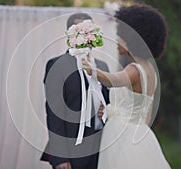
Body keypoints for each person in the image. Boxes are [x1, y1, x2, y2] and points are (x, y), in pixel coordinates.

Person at [82, 3, 171, 169]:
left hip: (123, 138)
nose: (116, 39)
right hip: (140, 134)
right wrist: (110, 111)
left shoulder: (134, 69)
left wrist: (88, 67)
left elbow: (111, 80)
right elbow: (146, 111)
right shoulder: (150, 70)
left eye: (120, 34)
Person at [41, 13, 110, 169]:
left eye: (90, 31)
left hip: (102, 148)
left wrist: (107, 112)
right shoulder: (56, 65)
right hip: (72, 150)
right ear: (70, 34)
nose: (87, 36)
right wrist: (60, 157)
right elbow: (54, 112)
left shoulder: (103, 66)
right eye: (82, 31)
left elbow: (110, 102)